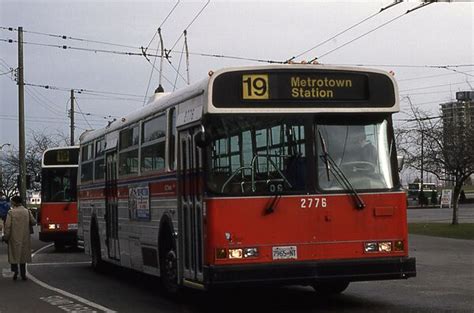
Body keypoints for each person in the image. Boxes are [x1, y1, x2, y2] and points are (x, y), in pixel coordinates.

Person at [2, 195, 36, 281]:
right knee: (23, 256)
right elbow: (33, 222)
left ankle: (15, 271)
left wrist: (6, 236)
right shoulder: (27, 211)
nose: (11, 203)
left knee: (14, 255)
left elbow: (8, 226)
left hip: (14, 237)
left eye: (12, 201)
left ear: (14, 202)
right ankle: (23, 274)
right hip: (25, 236)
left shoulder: (11, 212)